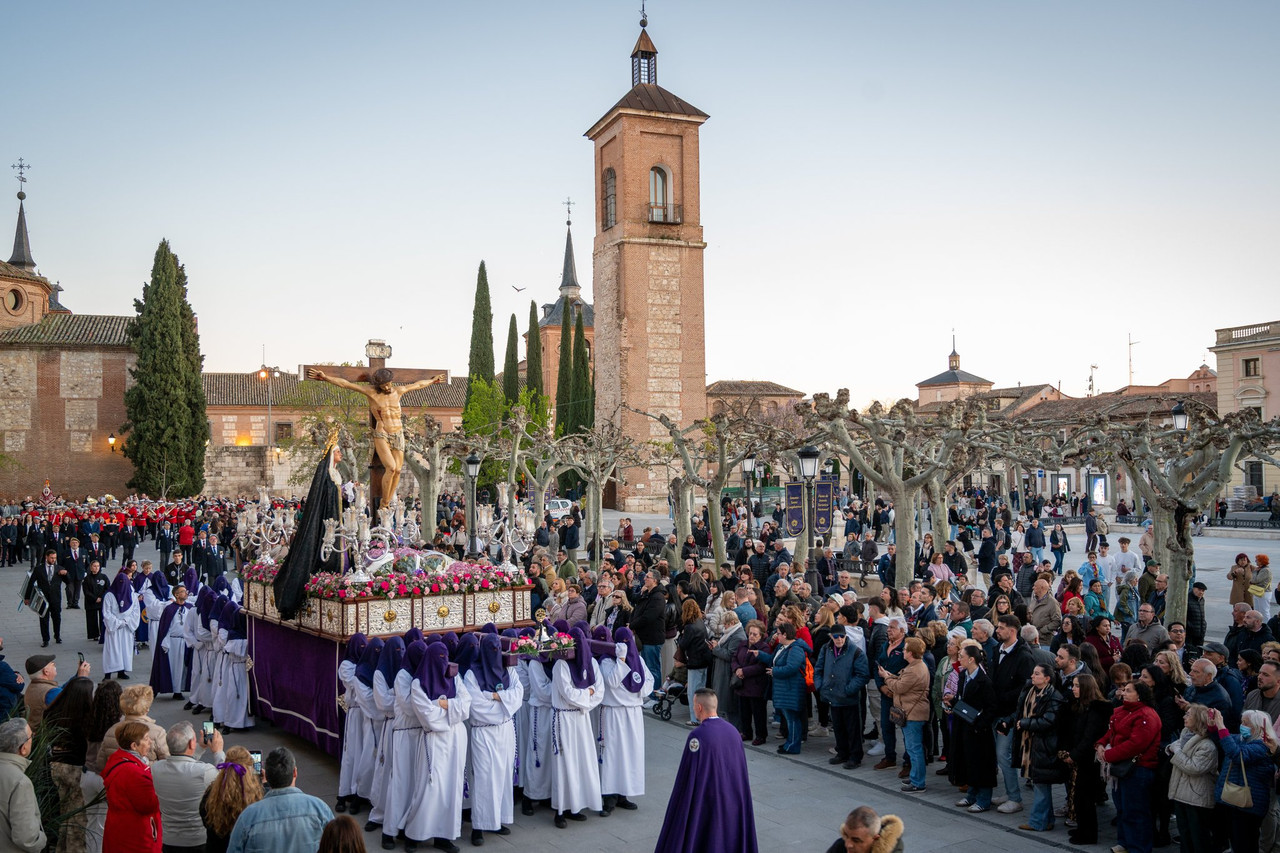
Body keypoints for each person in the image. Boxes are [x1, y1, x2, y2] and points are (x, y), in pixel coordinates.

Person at [307, 367, 445, 508]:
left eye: (388, 383)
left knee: (397, 470)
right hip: (381, 433)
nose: (387, 387)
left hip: (398, 432)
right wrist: (325, 377)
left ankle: (387, 502)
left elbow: (418, 385)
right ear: (378, 384)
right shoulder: (371, 393)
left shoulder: (399, 391)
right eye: (383, 385)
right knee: (391, 467)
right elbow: (346, 384)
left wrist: (432, 381)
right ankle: (383, 504)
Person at [653, 688, 758, 853]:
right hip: (733, 797)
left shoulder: (698, 736)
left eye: (694, 705)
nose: (694, 709)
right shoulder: (733, 731)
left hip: (707, 798)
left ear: (699, 707)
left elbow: (688, 774)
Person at [404, 642, 469, 851]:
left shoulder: (455, 677)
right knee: (428, 787)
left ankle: (444, 836)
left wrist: (443, 704)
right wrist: (452, 709)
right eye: (439, 657)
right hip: (433, 740)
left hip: (455, 739)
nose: (443, 662)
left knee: (451, 787)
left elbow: (466, 706)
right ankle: (414, 834)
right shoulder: (418, 684)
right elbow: (428, 717)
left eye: (445, 656)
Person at [461, 633, 522, 846]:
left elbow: (518, 695)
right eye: (491, 649)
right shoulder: (472, 674)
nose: (495, 653)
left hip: (505, 731)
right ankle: (479, 825)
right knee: (485, 778)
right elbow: (476, 708)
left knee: (504, 775)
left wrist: (495, 697)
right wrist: (504, 704)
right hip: (484, 733)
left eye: (498, 648)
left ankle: (499, 819)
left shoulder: (509, 670)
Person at [1096, 680, 1161, 853]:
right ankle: (1124, 842)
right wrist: (1101, 744)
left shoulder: (1146, 715)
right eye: (1124, 690)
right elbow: (1111, 733)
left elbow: (1136, 744)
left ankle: (1138, 848)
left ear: (1139, 694)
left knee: (1136, 812)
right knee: (1123, 809)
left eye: (1128, 691)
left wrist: (1108, 755)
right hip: (1121, 768)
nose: (1123, 693)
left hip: (1138, 769)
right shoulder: (1120, 711)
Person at [227, 747, 333, 853]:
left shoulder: (248, 817)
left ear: (267, 776)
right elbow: (337, 843)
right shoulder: (320, 809)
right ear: (295, 772)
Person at [599, 627, 653, 815]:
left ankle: (624, 793)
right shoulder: (607, 661)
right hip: (614, 713)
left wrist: (637, 691)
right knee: (613, 754)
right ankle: (609, 797)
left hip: (633, 713)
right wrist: (621, 660)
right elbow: (613, 682)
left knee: (630, 754)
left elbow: (649, 681)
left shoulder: (639, 660)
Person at [152, 721, 225, 853]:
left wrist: (199, 747)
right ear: (191, 743)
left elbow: (183, 762)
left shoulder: (156, 768)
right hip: (197, 840)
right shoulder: (204, 772)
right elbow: (226, 781)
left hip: (169, 840)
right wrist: (218, 752)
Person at [1008, 663, 1064, 833]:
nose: (1033, 676)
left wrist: (1025, 723)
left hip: (1044, 746)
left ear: (1047, 678)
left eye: (1037, 674)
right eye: (1033, 673)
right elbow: (1019, 711)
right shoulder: (1030, 691)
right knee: (1041, 784)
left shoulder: (1053, 697)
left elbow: (1048, 721)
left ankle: (1037, 822)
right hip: (1032, 744)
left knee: (1041, 784)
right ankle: (1046, 820)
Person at [948, 643, 998, 812]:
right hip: (964, 725)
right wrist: (953, 702)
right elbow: (962, 699)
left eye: (961, 656)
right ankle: (971, 794)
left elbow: (991, 708)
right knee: (968, 761)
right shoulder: (963, 676)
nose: (959, 658)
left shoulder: (984, 681)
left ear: (971, 659)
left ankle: (984, 799)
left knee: (981, 763)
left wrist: (980, 725)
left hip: (979, 730)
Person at [102, 720, 163, 853]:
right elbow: (149, 805)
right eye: (146, 739)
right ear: (134, 745)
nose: (150, 742)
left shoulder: (118, 760)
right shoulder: (134, 773)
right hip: (137, 837)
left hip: (120, 831)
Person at [880, 637, 930, 793]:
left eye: (905, 649)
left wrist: (886, 677)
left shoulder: (916, 669)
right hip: (911, 712)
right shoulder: (914, 666)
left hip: (913, 714)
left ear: (911, 653)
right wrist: (890, 675)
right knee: (912, 748)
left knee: (914, 749)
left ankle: (918, 782)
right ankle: (915, 776)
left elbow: (899, 687)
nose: (902, 651)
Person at [1167, 703, 1218, 853]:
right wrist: (1172, 749)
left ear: (1198, 719)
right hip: (1181, 794)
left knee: (1198, 838)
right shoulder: (1185, 735)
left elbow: (1194, 768)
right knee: (1185, 836)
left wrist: (1176, 751)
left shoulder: (1207, 745)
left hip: (1196, 798)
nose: (1184, 716)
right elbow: (1174, 748)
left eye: (1188, 714)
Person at [200, 746, 264, 853]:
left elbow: (204, 818)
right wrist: (263, 785)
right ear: (249, 769)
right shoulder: (258, 797)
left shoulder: (210, 795)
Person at [0, 719, 46, 853]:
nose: (33, 738)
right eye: (31, 736)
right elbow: (26, 838)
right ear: (23, 748)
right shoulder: (20, 782)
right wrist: (42, 839)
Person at [675, 599, 711, 726]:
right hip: (704, 660)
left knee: (693, 692)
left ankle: (695, 718)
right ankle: (703, 716)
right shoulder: (700, 622)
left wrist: (681, 636)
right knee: (702, 690)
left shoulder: (689, 627)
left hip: (694, 661)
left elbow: (683, 644)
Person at [103, 567, 141, 679]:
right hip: (114, 628)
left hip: (126, 627)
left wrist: (126, 621)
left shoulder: (132, 595)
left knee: (125, 650)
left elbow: (135, 611)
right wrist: (117, 622)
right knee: (112, 650)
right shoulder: (109, 595)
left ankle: (121, 671)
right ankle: (108, 674)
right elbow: (107, 612)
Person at [23, 547, 65, 647]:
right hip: (43, 599)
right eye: (51, 558)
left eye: (55, 558)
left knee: (57, 618)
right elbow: (31, 583)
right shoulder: (39, 569)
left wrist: (66, 574)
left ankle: (57, 636)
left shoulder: (59, 568)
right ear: (46, 557)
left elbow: (69, 581)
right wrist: (27, 597)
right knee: (43, 619)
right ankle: (45, 639)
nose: (53, 560)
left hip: (55, 598)